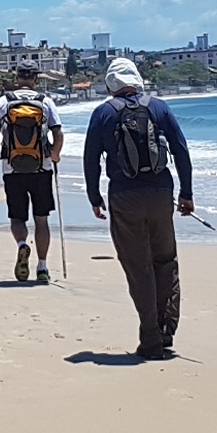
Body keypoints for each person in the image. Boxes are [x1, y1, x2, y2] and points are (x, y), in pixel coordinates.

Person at [82, 57, 194, 360]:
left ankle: (150, 337)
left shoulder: (103, 113)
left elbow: (91, 159)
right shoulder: (159, 107)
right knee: (165, 261)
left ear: (110, 84)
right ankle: (166, 328)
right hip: (160, 193)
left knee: (137, 266)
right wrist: (186, 193)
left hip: (124, 196)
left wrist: (94, 197)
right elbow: (181, 150)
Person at [0, 64, 65, 283]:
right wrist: (54, 155)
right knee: (41, 219)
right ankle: (43, 267)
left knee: (17, 217)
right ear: (36, 79)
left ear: (17, 78)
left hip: (12, 168)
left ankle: (21, 245)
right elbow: (58, 133)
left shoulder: (4, 102)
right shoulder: (45, 101)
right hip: (41, 168)